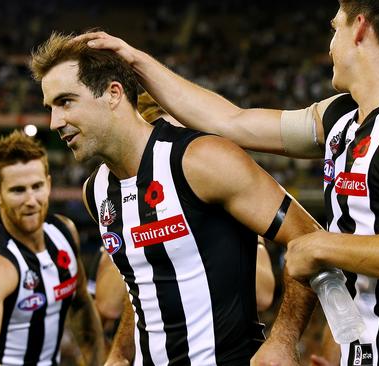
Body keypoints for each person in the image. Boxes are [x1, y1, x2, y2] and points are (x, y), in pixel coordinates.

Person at [76, 0, 379, 364]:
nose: (330, 45)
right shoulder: (340, 117)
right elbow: (229, 121)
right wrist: (137, 61)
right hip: (366, 346)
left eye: (335, 27)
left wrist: (320, 245)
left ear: (360, 28)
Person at [31, 32, 323, 365]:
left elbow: (308, 236)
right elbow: (141, 282)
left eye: (65, 101)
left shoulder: (201, 160)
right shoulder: (95, 192)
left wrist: (284, 340)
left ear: (113, 94)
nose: (55, 122)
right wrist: (121, 353)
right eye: (50, 108)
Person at [0, 131, 106, 366]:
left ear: (48, 184)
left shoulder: (64, 232)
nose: (31, 200)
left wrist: (99, 362)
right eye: (18, 190)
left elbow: (81, 305)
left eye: (36, 186)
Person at [137, 91, 277, 312]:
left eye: (185, 139)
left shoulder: (221, 188)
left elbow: (262, 294)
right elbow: (109, 306)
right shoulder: (115, 199)